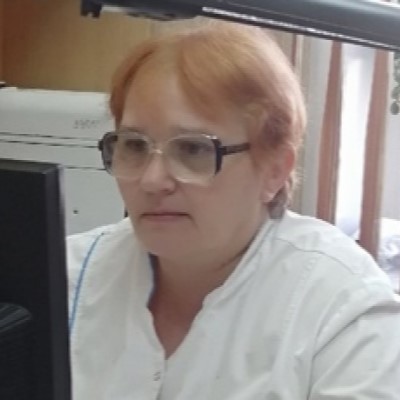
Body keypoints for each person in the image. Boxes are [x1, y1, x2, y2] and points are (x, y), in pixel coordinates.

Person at [67, 21, 400, 400]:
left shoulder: (344, 310)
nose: (152, 180)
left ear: (274, 169)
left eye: (193, 149)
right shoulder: (67, 276)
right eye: (134, 145)